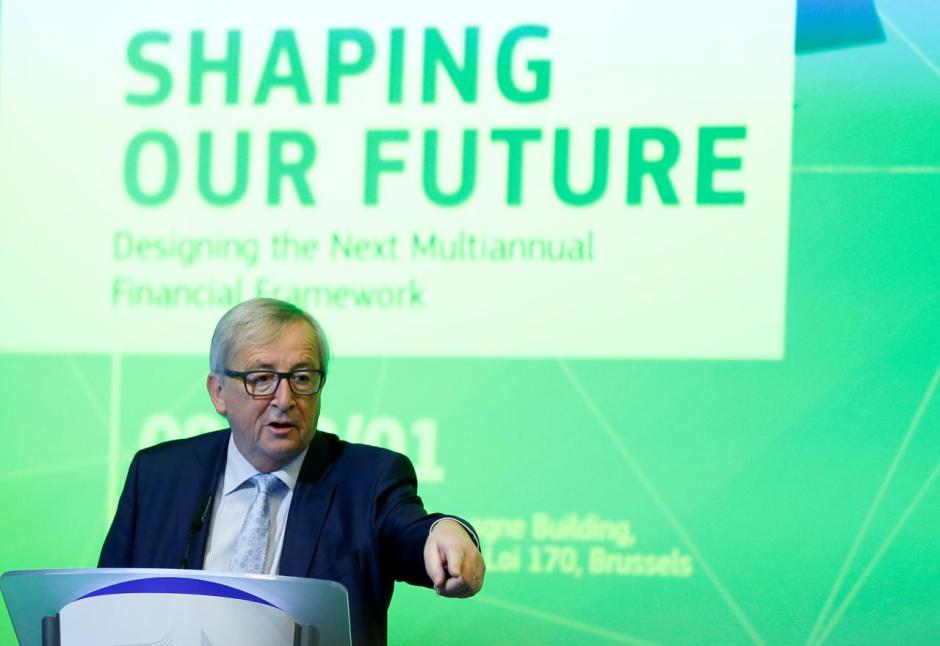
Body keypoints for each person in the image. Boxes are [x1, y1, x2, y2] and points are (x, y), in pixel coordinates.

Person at [99, 298, 485, 645]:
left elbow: (412, 533)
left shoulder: (368, 479)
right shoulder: (158, 475)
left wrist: (446, 531)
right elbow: (102, 606)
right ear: (218, 392)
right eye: (262, 379)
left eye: (302, 378)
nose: (284, 400)